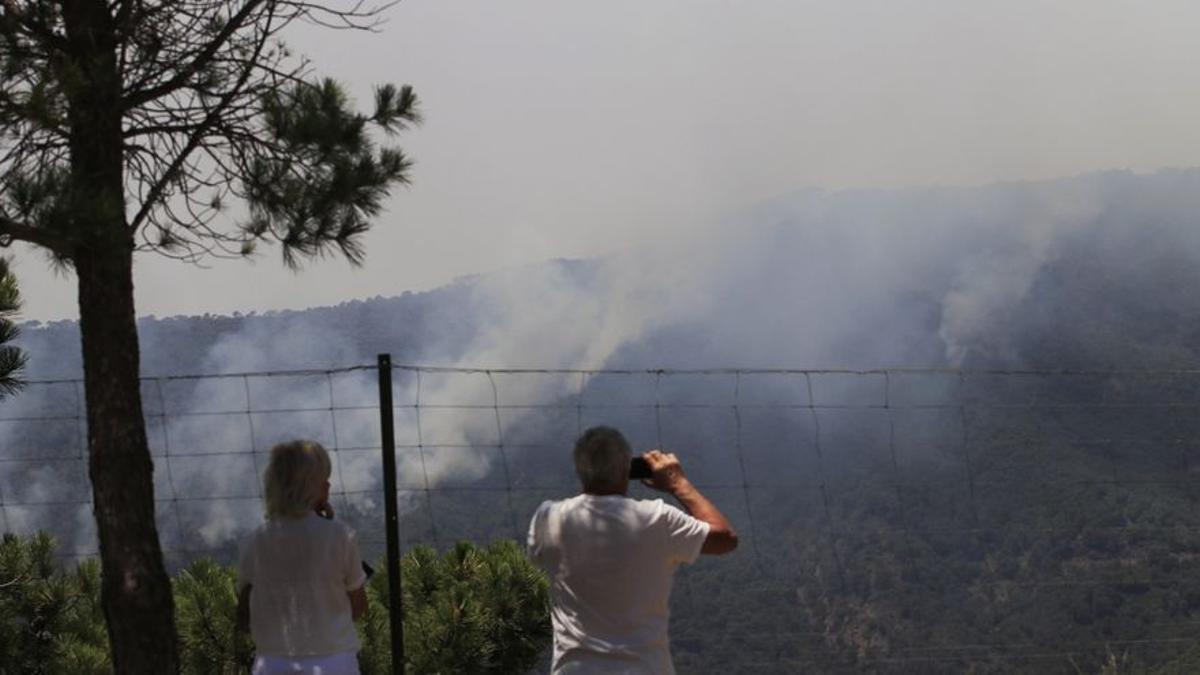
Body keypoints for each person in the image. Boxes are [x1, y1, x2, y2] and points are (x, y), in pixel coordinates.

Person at [527, 426, 739, 674]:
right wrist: (678, 483)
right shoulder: (658, 519)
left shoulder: (548, 518)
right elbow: (725, 538)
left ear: (581, 471)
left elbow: (537, 558)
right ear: (626, 469)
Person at [236, 440, 368, 675]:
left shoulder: (255, 540)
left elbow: (245, 608)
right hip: (334, 661)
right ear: (312, 488)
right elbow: (358, 606)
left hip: (273, 661)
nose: (329, 485)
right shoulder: (339, 535)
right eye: (323, 481)